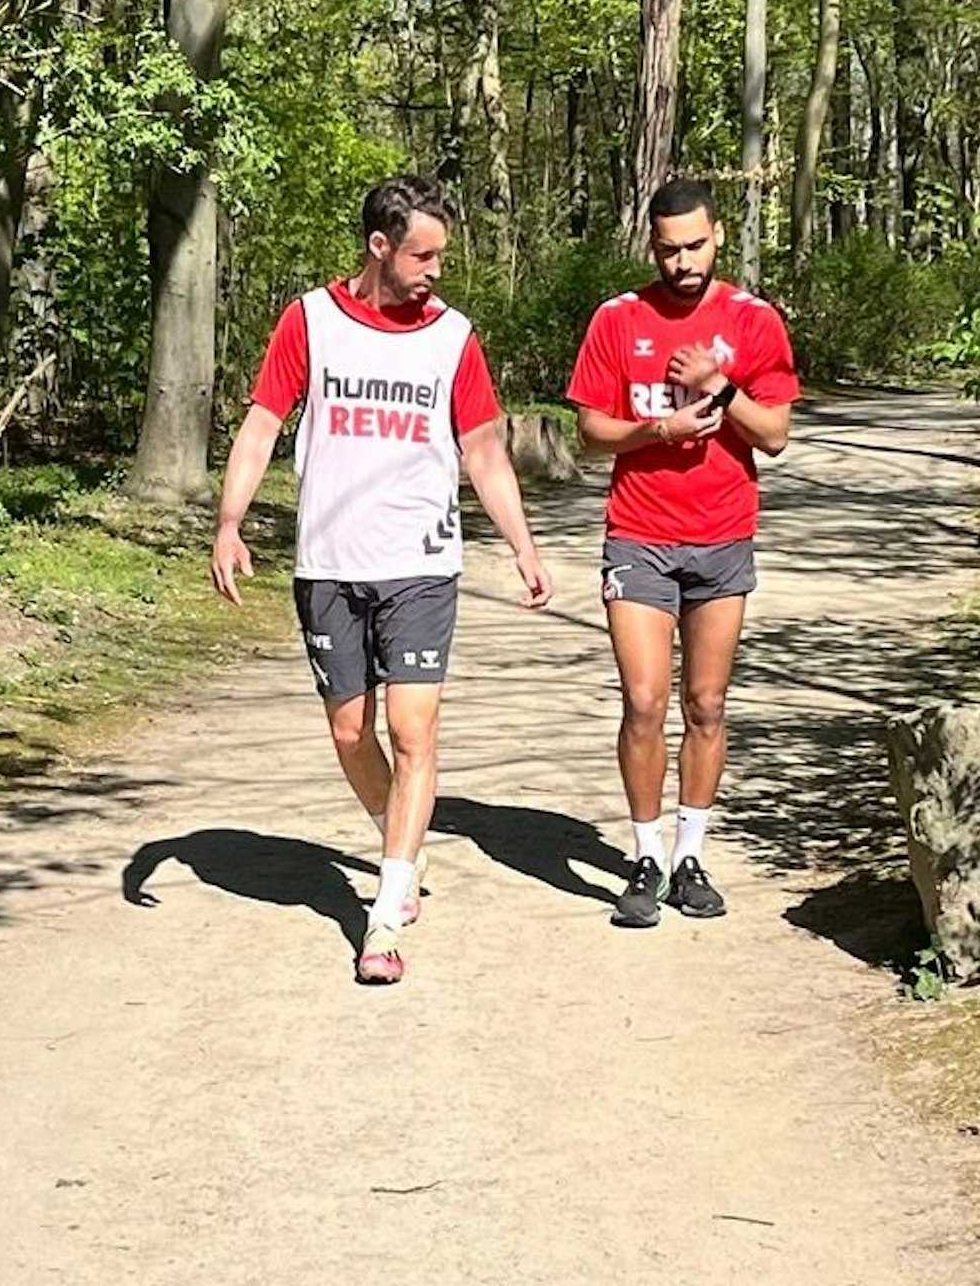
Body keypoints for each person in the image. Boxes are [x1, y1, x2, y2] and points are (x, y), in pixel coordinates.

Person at [212, 175, 553, 984]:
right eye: (422, 255)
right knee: (349, 731)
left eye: (441, 255)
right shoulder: (311, 320)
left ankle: (386, 912)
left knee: (413, 731)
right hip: (329, 561)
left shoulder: (453, 337)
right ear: (379, 245)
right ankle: (399, 834)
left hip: (421, 564)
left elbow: (483, 450)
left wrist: (523, 545)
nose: (436, 270)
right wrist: (229, 522)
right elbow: (262, 424)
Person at [565, 177, 800, 927]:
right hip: (638, 533)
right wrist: (657, 431)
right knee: (644, 702)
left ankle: (690, 853)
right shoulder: (618, 318)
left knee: (706, 703)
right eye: (669, 250)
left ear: (717, 236)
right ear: (652, 247)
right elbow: (590, 432)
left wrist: (719, 386)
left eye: (695, 246)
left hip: (723, 535)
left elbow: (775, 435)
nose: (683, 262)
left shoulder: (753, 320)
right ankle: (646, 856)